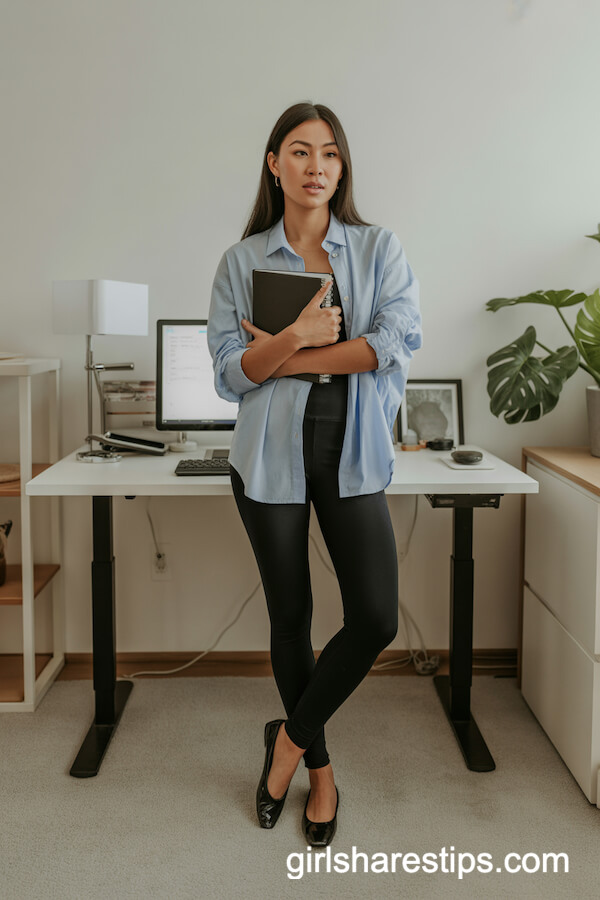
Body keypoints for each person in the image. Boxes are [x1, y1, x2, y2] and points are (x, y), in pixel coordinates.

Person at [208, 102, 421, 846]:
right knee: (291, 619)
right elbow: (231, 378)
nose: (316, 166)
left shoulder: (376, 247)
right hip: (267, 457)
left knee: (374, 617)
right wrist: (301, 332)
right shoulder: (242, 261)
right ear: (274, 164)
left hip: (353, 447)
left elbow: (389, 345)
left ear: (342, 167)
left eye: (329, 153)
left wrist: (285, 355)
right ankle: (320, 774)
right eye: (299, 152)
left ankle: (286, 742)